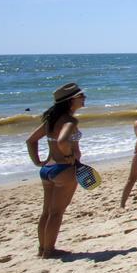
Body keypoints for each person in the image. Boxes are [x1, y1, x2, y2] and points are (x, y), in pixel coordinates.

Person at [25, 83, 87, 258]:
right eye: (81, 96)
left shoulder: (51, 119)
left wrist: (37, 161)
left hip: (48, 169)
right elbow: (63, 140)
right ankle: (50, 251)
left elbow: (31, 140)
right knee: (56, 213)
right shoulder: (69, 120)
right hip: (64, 170)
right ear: (71, 100)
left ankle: (42, 248)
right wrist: (69, 155)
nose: (84, 98)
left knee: (47, 212)